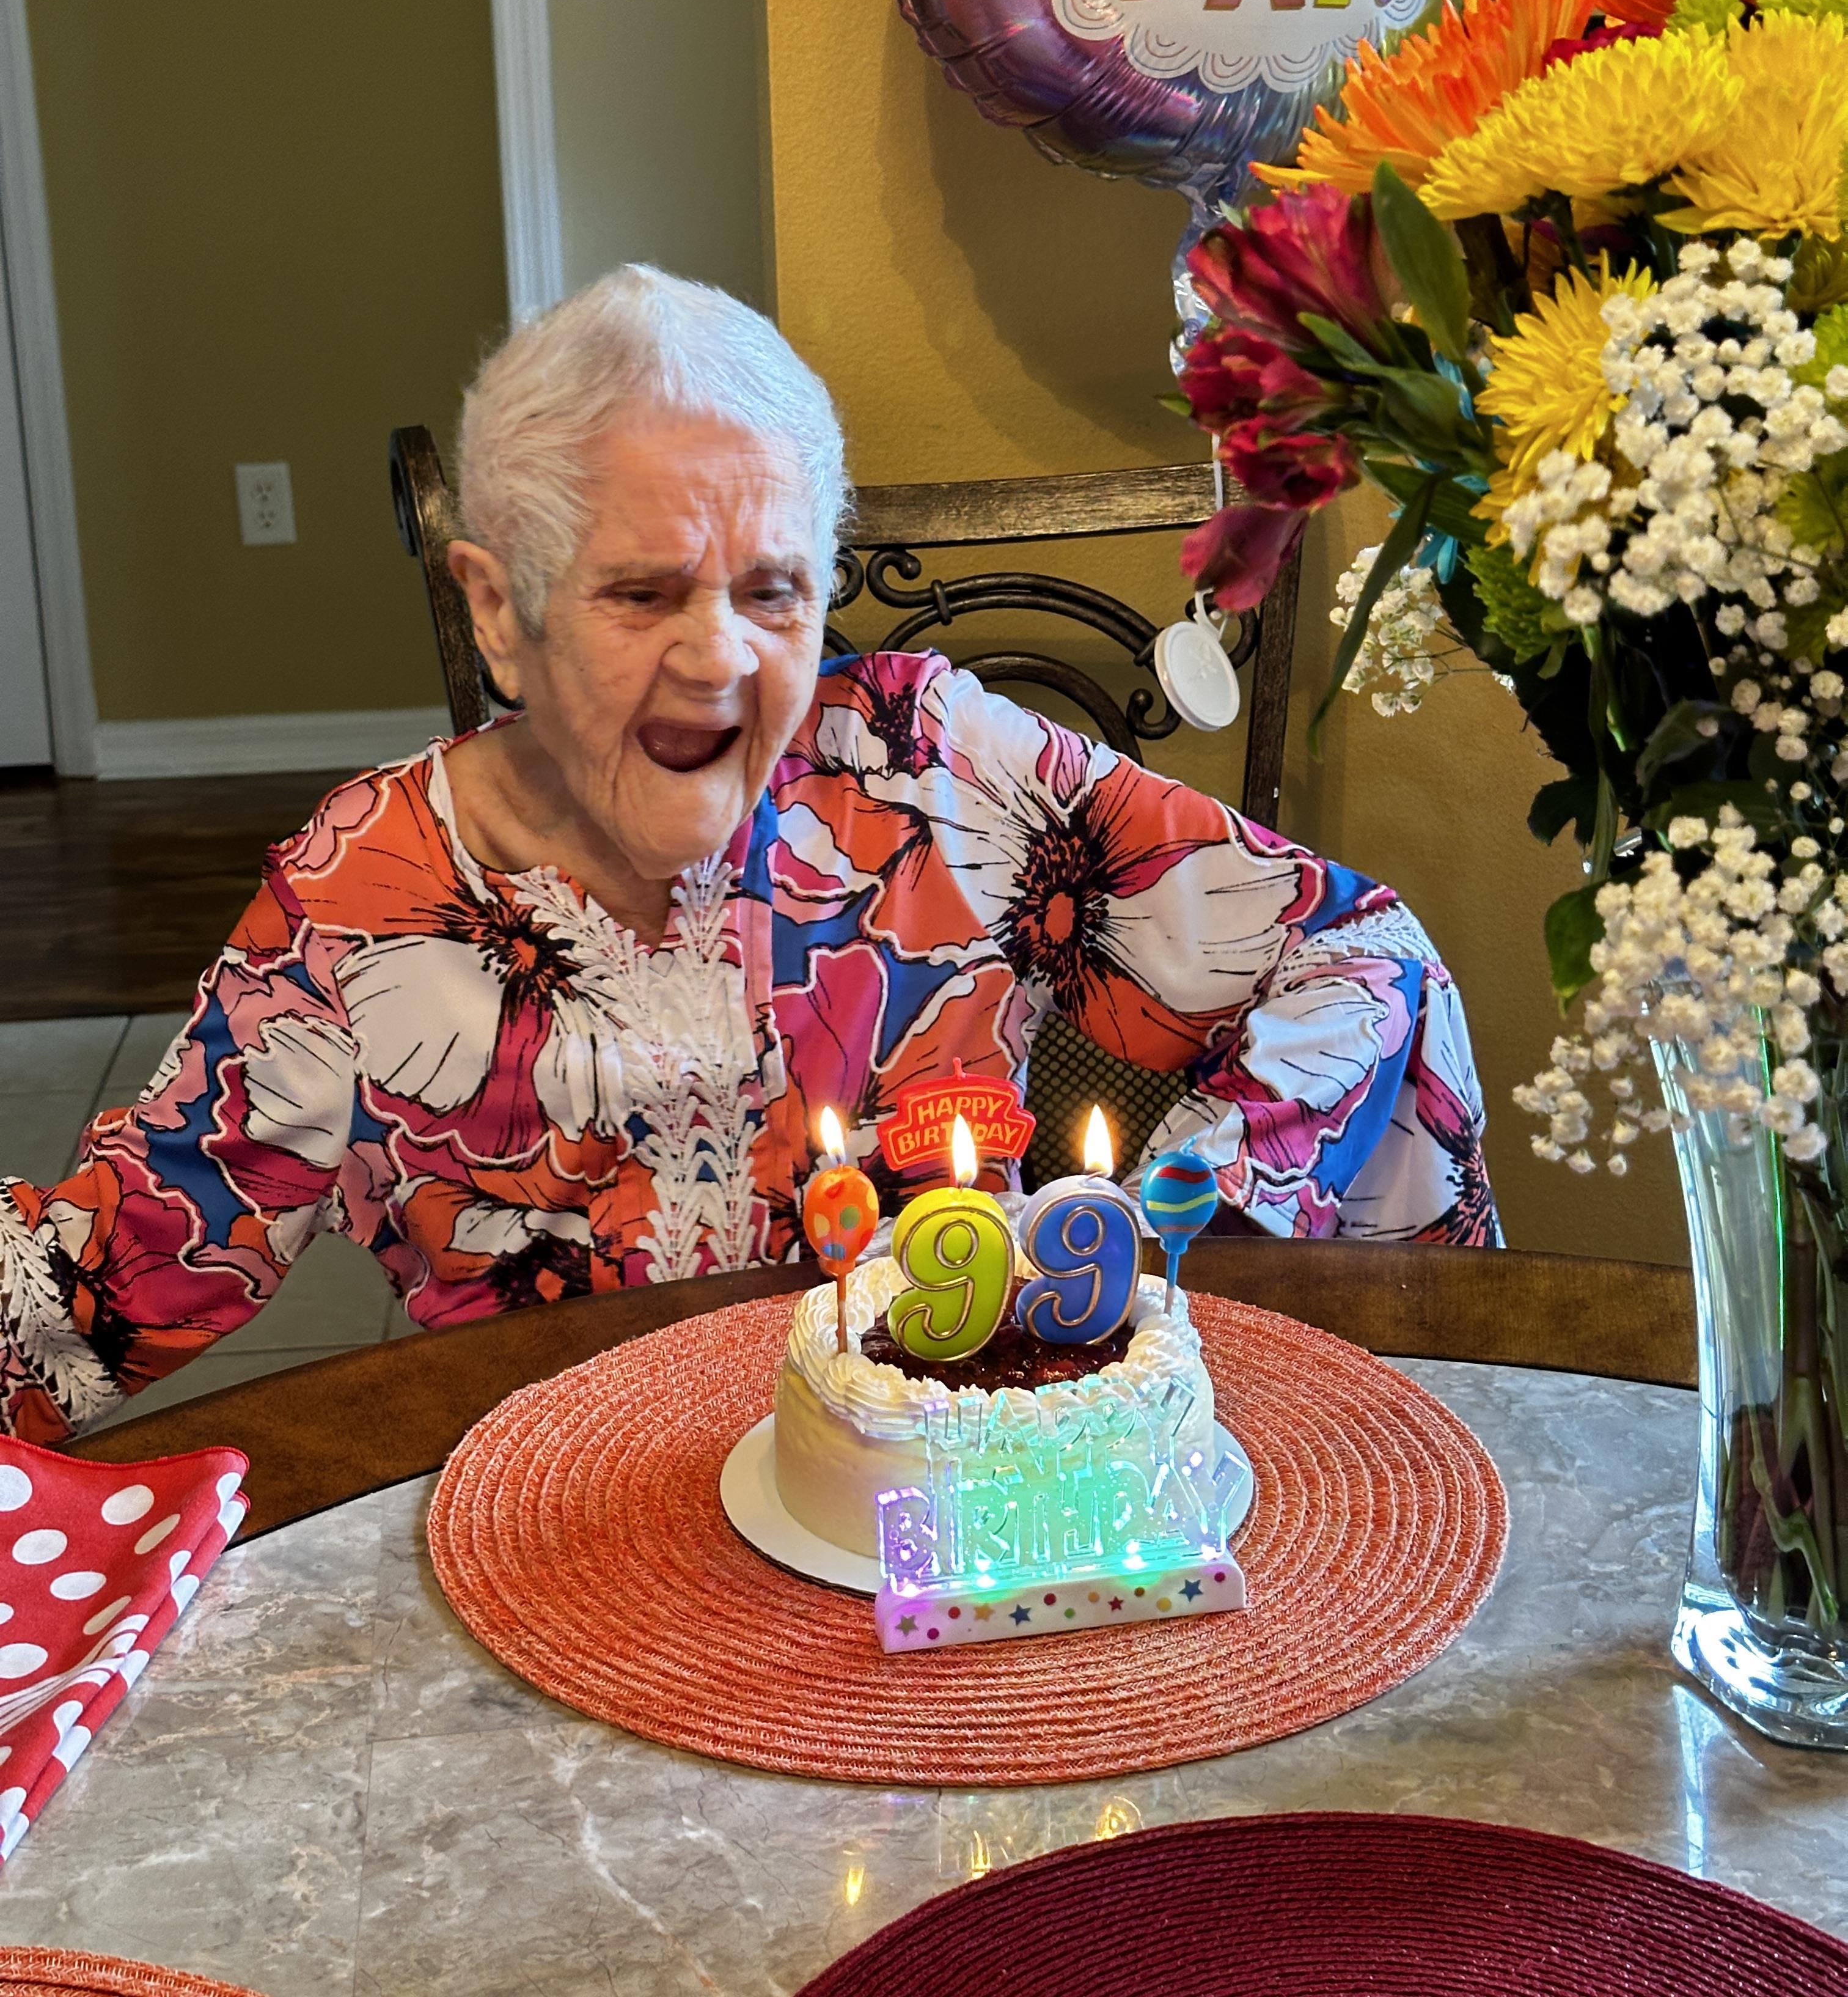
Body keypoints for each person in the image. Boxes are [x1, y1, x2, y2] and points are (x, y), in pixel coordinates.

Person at [2, 268, 1498, 1441]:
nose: (719, 660)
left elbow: (1364, 957)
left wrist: (1174, 1243)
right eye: (643, 593)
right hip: (565, 1536)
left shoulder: (923, 766)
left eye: (773, 589)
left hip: (946, 1516)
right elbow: (91, 1291)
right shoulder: (358, 898)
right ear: (498, 613)